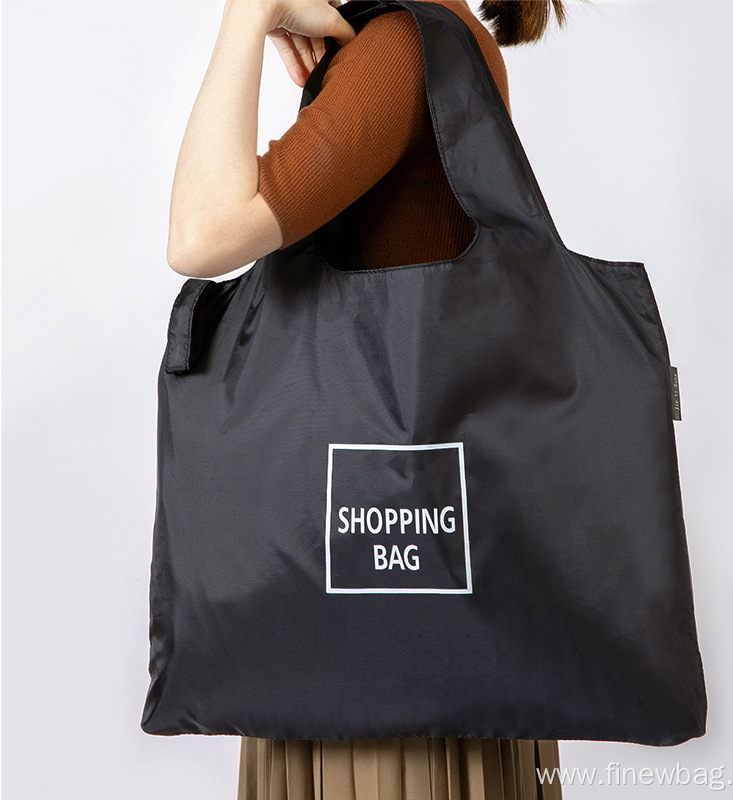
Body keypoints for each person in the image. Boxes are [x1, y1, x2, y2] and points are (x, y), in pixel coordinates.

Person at [166, 0, 573, 797]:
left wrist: (246, 14)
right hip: (431, 620)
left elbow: (199, 235)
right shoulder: (441, 40)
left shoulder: (400, 51)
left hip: (375, 662)